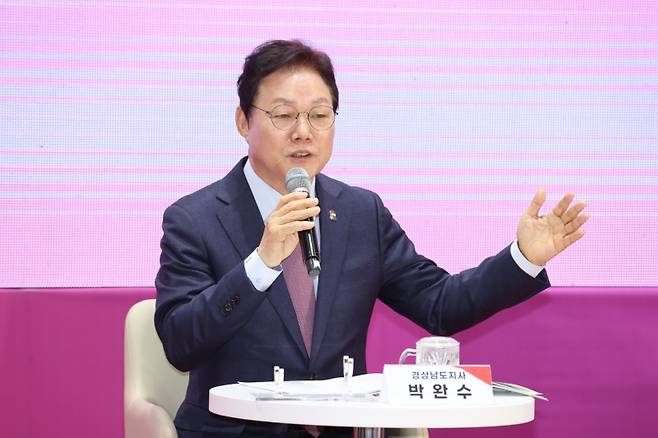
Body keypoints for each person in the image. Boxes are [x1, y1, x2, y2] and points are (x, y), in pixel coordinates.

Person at [154, 39, 589, 438]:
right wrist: (261, 264)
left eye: (319, 115)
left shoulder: (361, 213)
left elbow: (440, 304)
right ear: (242, 121)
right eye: (283, 115)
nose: (303, 132)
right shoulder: (195, 219)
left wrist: (523, 258)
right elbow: (180, 342)